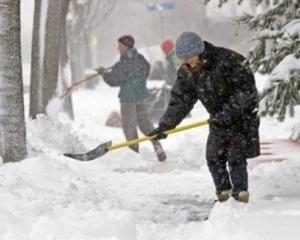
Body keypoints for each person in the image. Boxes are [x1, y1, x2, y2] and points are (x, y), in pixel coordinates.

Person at [149, 32, 260, 203]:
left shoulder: (228, 60)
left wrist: (229, 111)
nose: (188, 62)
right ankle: (224, 195)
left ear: (200, 51)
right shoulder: (188, 71)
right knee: (214, 157)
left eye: (190, 57)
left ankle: (240, 196)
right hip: (218, 120)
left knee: (236, 157)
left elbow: (246, 91)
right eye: (184, 58)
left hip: (241, 117)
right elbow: (180, 101)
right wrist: (165, 126)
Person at [96, 35, 166, 161]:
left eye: (120, 46)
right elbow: (146, 70)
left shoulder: (122, 63)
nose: (118, 48)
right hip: (141, 96)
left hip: (128, 98)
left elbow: (113, 80)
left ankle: (134, 154)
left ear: (126, 46)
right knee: (145, 123)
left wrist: (103, 74)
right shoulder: (140, 58)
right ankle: (157, 145)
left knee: (129, 125)